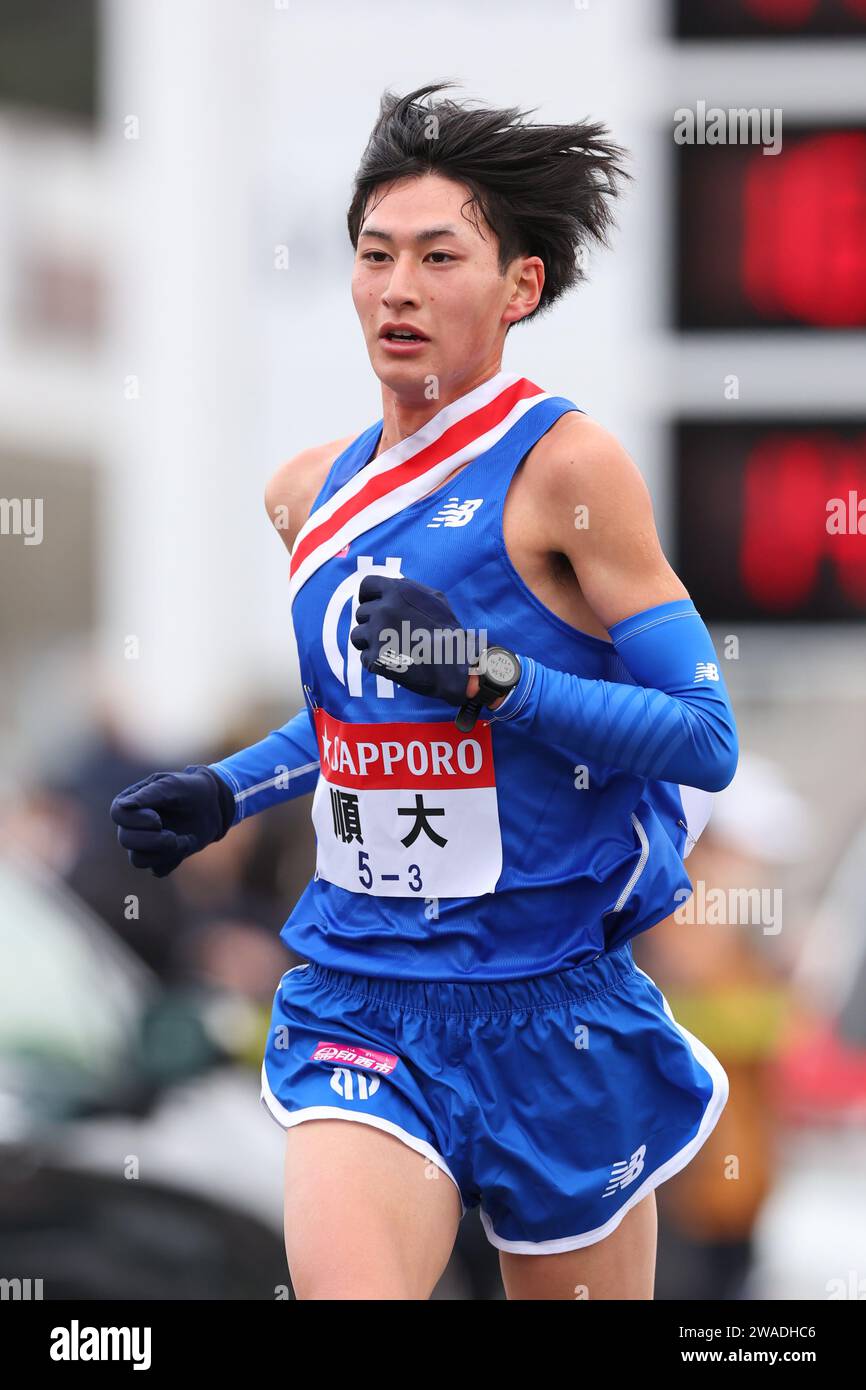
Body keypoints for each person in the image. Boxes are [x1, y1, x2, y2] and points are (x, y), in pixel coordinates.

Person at [110, 82, 738, 1301]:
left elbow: (701, 739)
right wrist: (227, 788)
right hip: (362, 992)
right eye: (373, 255)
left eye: (438, 256)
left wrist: (493, 679)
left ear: (519, 288)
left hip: (551, 1008)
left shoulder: (567, 468)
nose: (396, 287)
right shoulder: (305, 493)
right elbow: (357, 718)